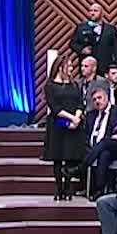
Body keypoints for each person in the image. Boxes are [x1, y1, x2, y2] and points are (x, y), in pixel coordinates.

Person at [43, 55, 86, 201]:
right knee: (58, 157)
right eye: (69, 66)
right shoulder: (50, 86)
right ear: (60, 67)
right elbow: (55, 107)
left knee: (70, 157)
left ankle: (68, 188)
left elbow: (80, 103)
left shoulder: (75, 85)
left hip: (74, 124)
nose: (71, 69)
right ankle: (59, 188)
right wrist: (71, 118)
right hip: (58, 123)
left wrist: (77, 118)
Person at [68, 2, 117, 74]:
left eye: (95, 11)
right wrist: (82, 50)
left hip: (105, 67)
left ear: (102, 13)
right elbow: (72, 43)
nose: (92, 13)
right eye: (91, 11)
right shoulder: (81, 27)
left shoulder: (110, 29)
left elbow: (116, 49)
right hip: (86, 67)